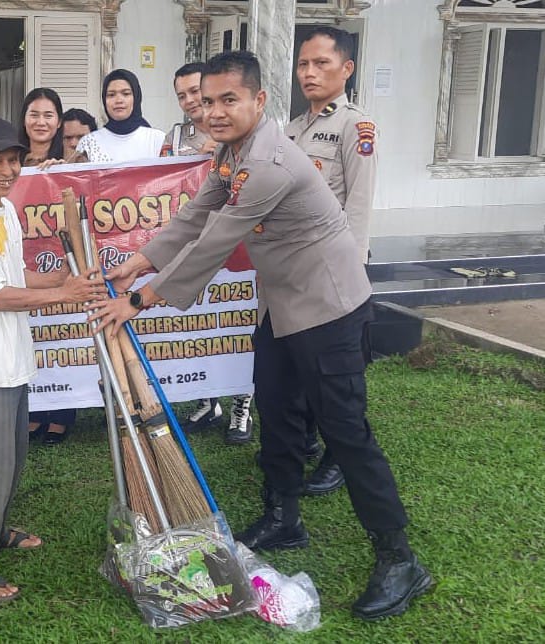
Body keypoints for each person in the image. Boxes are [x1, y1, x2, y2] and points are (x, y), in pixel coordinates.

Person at [88, 52, 431, 621]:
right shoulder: (233, 152)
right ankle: (283, 515)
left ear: (258, 102)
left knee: (346, 431)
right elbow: (198, 212)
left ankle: (399, 558)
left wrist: (139, 299)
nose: (215, 112)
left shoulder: (270, 161)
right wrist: (140, 260)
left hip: (328, 306)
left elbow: (217, 240)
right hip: (282, 305)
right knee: (276, 407)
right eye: (207, 101)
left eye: (229, 100)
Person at [0, 118, 103, 601]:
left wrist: (61, 282)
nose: (7, 169)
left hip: (10, 360)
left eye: (13, 160)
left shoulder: (2, 210)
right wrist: (65, 296)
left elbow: (15, 274)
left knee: (9, 461)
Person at [285, 26, 379, 496]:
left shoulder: (355, 127)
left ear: (346, 69)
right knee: (304, 372)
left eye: (321, 63)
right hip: (297, 275)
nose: (309, 72)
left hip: (335, 276)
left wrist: (352, 274)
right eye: (304, 63)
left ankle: (338, 456)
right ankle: (304, 444)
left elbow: (358, 207)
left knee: (337, 380)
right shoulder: (293, 128)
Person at [161, 61, 253, 444]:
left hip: (236, 242)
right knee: (198, 322)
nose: (190, 101)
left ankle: (241, 406)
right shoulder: (175, 134)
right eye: (181, 95)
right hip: (192, 241)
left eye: (195, 91)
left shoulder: (237, 135)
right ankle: (206, 400)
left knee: (236, 321)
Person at [16, 87, 77, 444]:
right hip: (23, 262)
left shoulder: (73, 157)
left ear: (58, 122)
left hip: (59, 258)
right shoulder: (8, 159)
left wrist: (66, 172)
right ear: (23, 120)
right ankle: (35, 410)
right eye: (34, 114)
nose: (41, 122)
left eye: (48, 115)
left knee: (63, 332)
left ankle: (63, 411)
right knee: (31, 335)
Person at [74, 69, 165, 163]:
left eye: (126, 94)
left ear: (136, 97)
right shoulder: (89, 143)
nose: (118, 100)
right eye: (111, 95)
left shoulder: (157, 140)